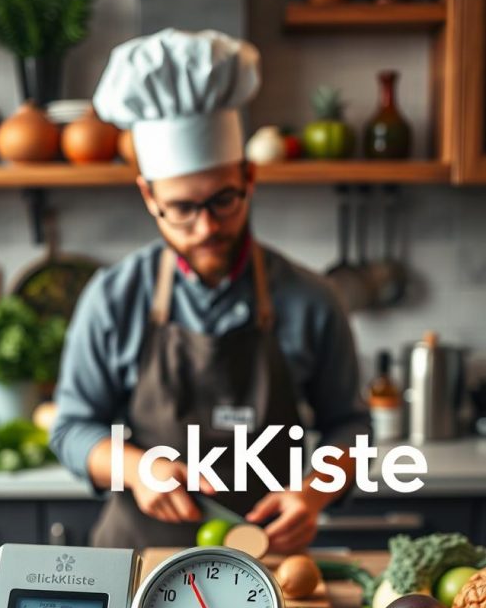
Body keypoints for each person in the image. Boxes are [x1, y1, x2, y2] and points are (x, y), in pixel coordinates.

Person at [50, 28, 370, 552]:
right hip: (139, 559)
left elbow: (350, 427)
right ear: (149, 195)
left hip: (266, 565)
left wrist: (313, 492)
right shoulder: (113, 297)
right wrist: (136, 468)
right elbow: (71, 429)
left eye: (223, 199)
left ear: (249, 177)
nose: (205, 227)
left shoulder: (311, 298)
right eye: (182, 208)